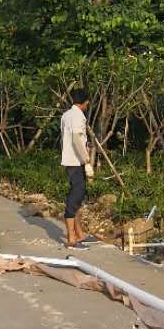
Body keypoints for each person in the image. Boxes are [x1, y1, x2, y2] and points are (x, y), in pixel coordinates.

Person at [60, 88, 94, 248]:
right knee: (76, 196)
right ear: (85, 102)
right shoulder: (77, 116)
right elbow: (75, 138)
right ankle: (71, 238)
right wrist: (87, 161)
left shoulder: (66, 115)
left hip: (70, 160)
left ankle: (80, 234)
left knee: (78, 196)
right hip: (75, 161)